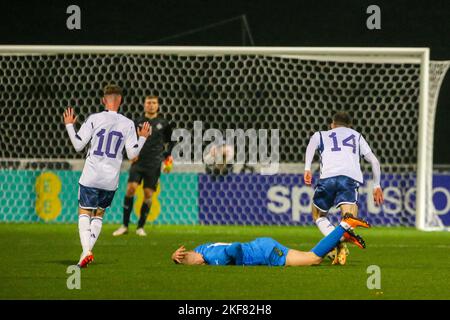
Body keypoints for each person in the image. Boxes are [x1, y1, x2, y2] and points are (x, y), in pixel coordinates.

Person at [63, 84, 151, 268]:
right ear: (120, 100)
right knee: (99, 215)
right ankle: (84, 255)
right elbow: (133, 154)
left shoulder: (94, 119)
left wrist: (70, 126)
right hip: (110, 180)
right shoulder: (128, 124)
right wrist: (142, 137)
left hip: (92, 175)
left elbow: (78, 145)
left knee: (84, 212)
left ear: (104, 100)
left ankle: (86, 250)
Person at [303, 111, 384, 265]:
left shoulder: (321, 135)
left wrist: (307, 168)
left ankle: (338, 243)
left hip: (328, 178)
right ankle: (343, 238)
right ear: (349, 126)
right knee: (348, 220)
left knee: (318, 215)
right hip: (349, 179)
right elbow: (374, 162)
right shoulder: (357, 136)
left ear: (332, 125)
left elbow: (310, 147)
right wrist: (377, 185)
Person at [171, 214, 369, 266]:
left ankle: (344, 226)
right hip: (262, 245)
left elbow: (235, 248)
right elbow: (189, 256)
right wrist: (176, 257)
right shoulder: (202, 249)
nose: (195, 263)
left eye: (192, 261)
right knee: (311, 257)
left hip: (265, 253)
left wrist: (239, 264)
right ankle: (343, 234)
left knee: (313, 259)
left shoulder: (213, 256)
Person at [113, 95, 175, 237]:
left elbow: (171, 141)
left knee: (148, 195)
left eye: (154, 103)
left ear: (158, 105)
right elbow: (128, 140)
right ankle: (124, 225)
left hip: (154, 164)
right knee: (130, 189)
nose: (151, 105)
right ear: (144, 104)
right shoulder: (137, 122)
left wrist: (167, 157)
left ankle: (140, 227)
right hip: (138, 162)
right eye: (148, 103)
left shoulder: (163, 123)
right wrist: (130, 153)